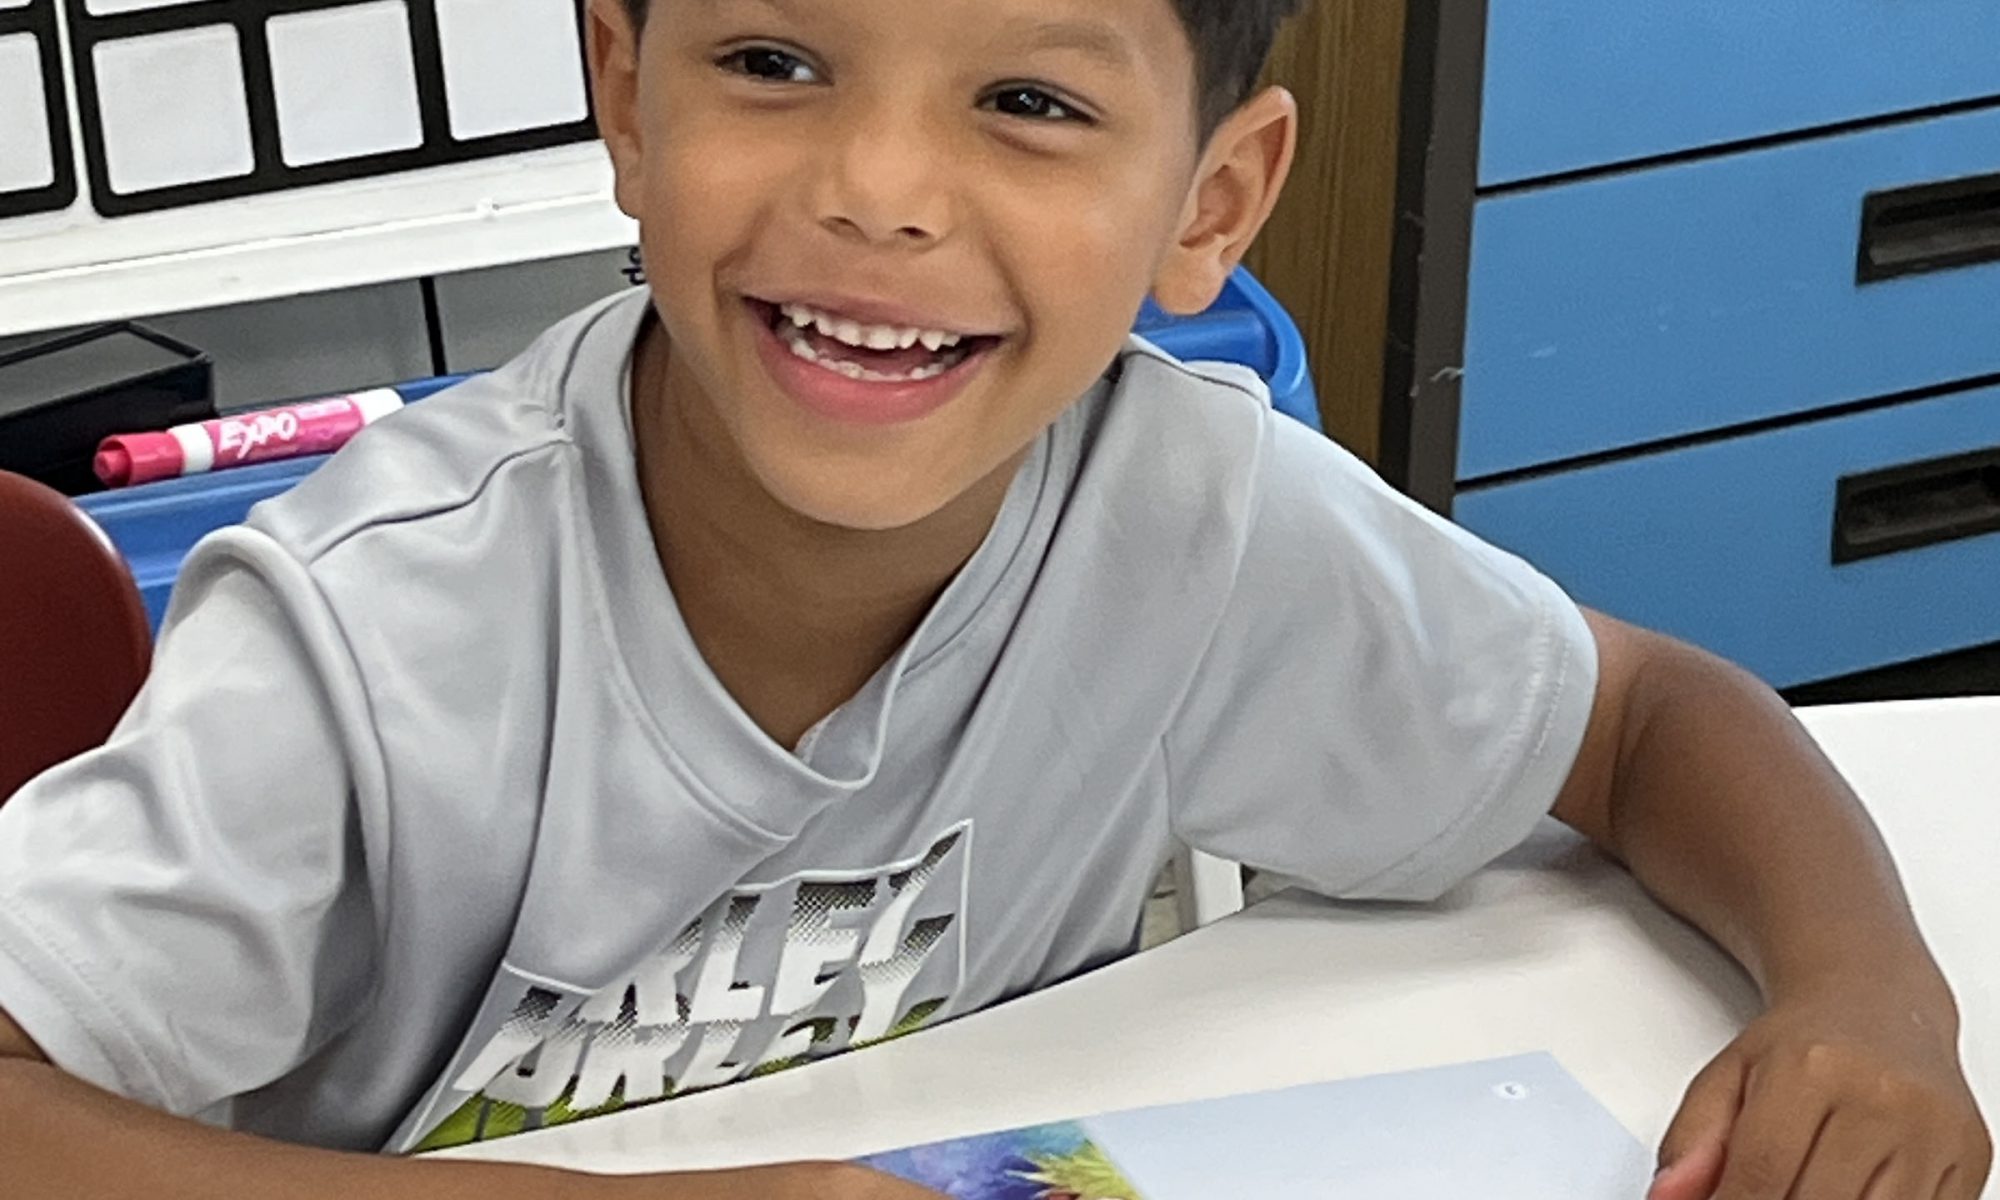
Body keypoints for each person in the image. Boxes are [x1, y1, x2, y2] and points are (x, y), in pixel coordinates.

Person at [0, 0, 1989, 1196]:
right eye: (774, 59)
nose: (878, 189)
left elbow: (1645, 719)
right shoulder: (374, 620)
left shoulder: (1193, 518)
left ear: (1211, 200)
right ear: (624, 87)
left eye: (1028, 101)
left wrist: (1870, 999)